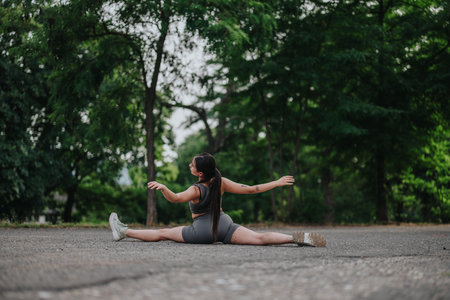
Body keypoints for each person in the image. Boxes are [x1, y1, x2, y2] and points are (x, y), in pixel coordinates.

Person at [109, 153, 326, 247]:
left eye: (192, 165)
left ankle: (124, 232)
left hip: (203, 231)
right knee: (259, 238)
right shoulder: (221, 181)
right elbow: (251, 190)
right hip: (224, 225)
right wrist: (276, 182)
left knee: (163, 233)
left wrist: (164, 188)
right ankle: (296, 238)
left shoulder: (196, 189)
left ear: (200, 172)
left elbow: (175, 199)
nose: (189, 166)